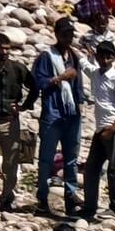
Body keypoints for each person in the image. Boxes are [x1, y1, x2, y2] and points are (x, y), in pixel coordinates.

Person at [0, 32, 37, 212]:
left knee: (11, 164)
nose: (4, 52)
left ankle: (6, 197)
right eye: (0, 48)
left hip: (9, 122)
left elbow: (34, 87)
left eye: (7, 48)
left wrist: (24, 106)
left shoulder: (18, 68)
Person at [34, 18, 86, 216]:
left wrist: (80, 105)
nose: (68, 38)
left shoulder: (74, 56)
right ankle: (42, 199)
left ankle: (70, 198)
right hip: (53, 113)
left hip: (71, 114)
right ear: (56, 34)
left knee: (71, 159)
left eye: (71, 35)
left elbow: (78, 86)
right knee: (46, 159)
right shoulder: (47, 57)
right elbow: (39, 82)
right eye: (65, 34)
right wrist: (61, 78)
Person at [79, 39, 115, 221]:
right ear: (98, 56)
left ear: (113, 57)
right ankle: (89, 206)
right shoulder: (96, 74)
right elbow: (84, 64)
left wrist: (113, 128)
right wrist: (81, 50)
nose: (105, 59)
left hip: (114, 129)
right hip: (100, 129)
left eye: (108, 56)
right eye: (102, 55)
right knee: (91, 168)